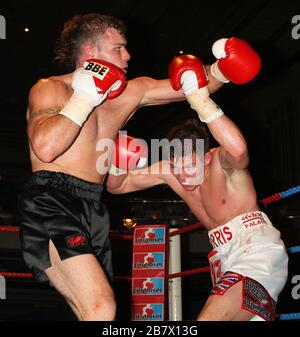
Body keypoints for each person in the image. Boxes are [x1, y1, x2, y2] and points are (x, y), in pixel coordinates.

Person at [17, 13, 222, 321]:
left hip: (94, 205)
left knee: (94, 312)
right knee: (102, 308)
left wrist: (224, 67)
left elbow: (188, 86)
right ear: (90, 53)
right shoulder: (51, 89)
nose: (128, 55)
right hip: (52, 199)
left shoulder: (130, 92)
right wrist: (84, 98)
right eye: (119, 48)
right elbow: (46, 147)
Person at [106, 41, 289, 321]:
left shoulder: (220, 163)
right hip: (224, 259)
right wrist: (118, 158)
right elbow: (116, 186)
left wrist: (201, 101)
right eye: (177, 166)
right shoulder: (170, 171)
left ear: (205, 157)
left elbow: (239, 150)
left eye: (189, 164)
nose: (182, 174)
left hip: (256, 253)